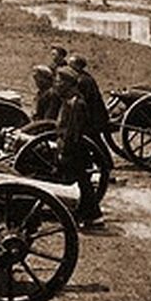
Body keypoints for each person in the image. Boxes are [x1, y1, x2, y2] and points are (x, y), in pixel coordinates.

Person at [53, 67, 104, 229]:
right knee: (80, 183)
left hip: (76, 151)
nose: (57, 84)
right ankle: (84, 214)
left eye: (60, 81)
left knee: (82, 184)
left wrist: (64, 151)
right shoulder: (69, 101)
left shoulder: (76, 104)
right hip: (73, 149)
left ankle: (95, 217)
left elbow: (73, 132)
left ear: (68, 84)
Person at [68, 55, 110, 145]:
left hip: (93, 116)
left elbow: (85, 99)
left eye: (71, 65)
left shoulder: (84, 80)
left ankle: (105, 158)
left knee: (94, 138)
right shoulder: (80, 77)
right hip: (89, 114)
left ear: (78, 66)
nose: (69, 67)